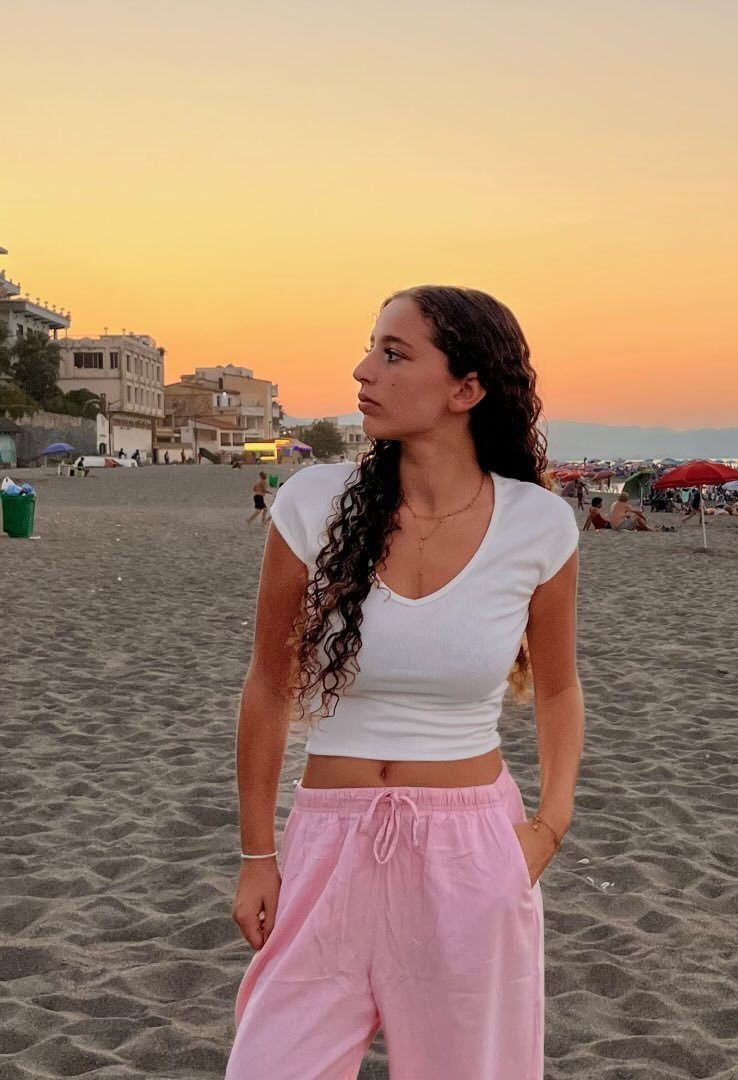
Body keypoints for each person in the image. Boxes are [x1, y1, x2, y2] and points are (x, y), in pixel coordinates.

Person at [226, 286, 583, 1080]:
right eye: (371, 349)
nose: (364, 370)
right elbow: (268, 684)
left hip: (471, 855)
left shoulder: (537, 524)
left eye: (393, 354)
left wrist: (548, 826)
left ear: (466, 389)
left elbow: (559, 689)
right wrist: (257, 853)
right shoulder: (312, 503)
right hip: (327, 846)